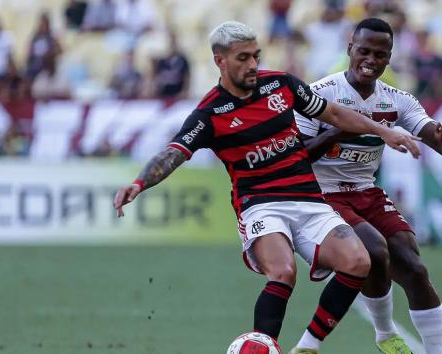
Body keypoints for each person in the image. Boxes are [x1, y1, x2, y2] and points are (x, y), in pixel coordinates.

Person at [113, 21, 422, 353]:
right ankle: (264, 343)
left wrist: (385, 131)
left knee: (358, 261)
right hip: (261, 205)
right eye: (243, 57)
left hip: (309, 200)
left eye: (255, 56)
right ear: (220, 61)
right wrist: (140, 182)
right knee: (283, 271)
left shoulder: (281, 85)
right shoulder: (209, 112)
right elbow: (173, 152)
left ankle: (308, 346)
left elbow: (334, 112)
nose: (252, 65)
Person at [294, 18, 442, 354]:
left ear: (390, 56)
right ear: (350, 48)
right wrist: (341, 128)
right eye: (364, 51)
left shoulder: (396, 99)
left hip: (365, 191)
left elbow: (440, 143)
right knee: (374, 250)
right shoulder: (320, 94)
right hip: (323, 192)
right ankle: (386, 334)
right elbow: (296, 158)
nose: (371, 60)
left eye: (380, 54)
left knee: (414, 268)